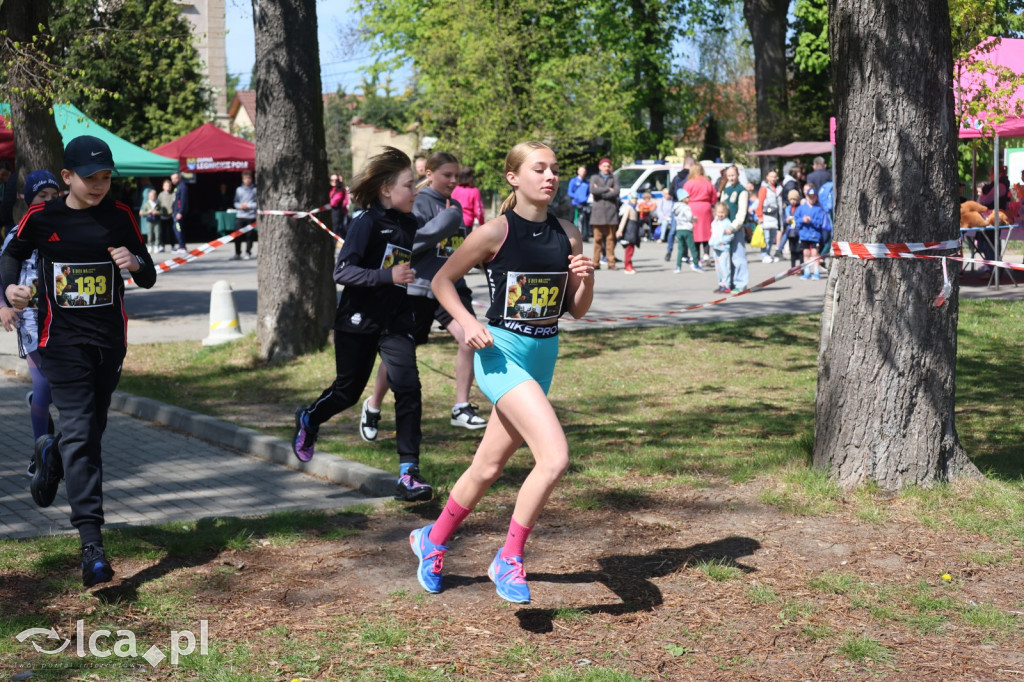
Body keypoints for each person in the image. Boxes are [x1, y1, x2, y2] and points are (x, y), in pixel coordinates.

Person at [409, 140, 595, 604]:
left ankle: (432, 539)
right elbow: (441, 280)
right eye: (539, 168)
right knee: (553, 458)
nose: (550, 176)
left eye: (555, 168)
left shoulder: (568, 232)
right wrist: (467, 322)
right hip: (501, 355)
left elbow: (576, 310)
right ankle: (509, 557)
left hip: (543, 356)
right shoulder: (495, 232)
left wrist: (587, 279)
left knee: (488, 466)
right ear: (514, 177)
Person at [1, 135, 157, 588]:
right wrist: (7, 292)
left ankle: (51, 450)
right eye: (90, 178)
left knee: (86, 433)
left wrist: (135, 263)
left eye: (106, 177)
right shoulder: (43, 216)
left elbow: (146, 274)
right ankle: (92, 545)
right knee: (84, 435)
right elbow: (11, 254)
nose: (100, 185)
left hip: (108, 343)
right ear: (67, 177)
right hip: (60, 342)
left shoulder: (121, 214)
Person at [292, 147, 433, 502]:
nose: (414, 191)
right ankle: (309, 418)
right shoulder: (365, 223)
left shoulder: (410, 223)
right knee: (347, 392)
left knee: (408, 387)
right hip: (358, 321)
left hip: (396, 321)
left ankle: (409, 472)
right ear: (386, 189)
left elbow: (418, 255)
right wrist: (387, 275)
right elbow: (343, 271)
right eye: (408, 184)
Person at [361, 151, 486, 441]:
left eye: (456, 176)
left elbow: (455, 247)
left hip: (450, 289)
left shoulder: (453, 205)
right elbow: (408, 244)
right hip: (416, 290)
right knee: (401, 355)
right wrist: (447, 221)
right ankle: (374, 405)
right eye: (446, 175)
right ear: (428, 173)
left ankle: (461, 407)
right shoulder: (414, 203)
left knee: (470, 337)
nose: (453, 181)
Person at [0, 170, 60, 476]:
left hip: (63, 321)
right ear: (28, 199)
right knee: (44, 383)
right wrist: (3, 306)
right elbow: (2, 274)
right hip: (31, 322)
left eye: (54, 195)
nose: (49, 202)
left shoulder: (66, 228)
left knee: (55, 388)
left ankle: (39, 406)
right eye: (42, 196)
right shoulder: (17, 234)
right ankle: (42, 454)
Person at [717, 165, 749, 293]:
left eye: (733, 175)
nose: (731, 178)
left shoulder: (742, 191)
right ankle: (727, 283)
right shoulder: (725, 190)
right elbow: (721, 208)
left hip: (735, 228)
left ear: (737, 175)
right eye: (728, 176)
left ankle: (741, 283)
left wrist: (733, 226)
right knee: (725, 258)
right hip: (724, 229)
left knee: (738, 257)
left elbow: (742, 212)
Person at [683, 162, 717, 267]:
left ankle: (696, 257)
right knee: (706, 232)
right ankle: (706, 254)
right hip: (706, 207)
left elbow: (683, 196)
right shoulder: (707, 182)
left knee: (695, 233)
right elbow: (714, 197)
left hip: (693, 207)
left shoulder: (689, 183)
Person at [589, 157, 619, 270]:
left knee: (610, 240)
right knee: (597, 239)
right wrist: (608, 189)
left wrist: (600, 191)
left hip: (611, 213)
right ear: (600, 167)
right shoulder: (594, 177)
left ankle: (611, 262)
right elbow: (592, 190)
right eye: (604, 166)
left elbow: (616, 192)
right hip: (598, 214)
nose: (606, 168)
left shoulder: (614, 177)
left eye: (608, 166)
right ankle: (595, 262)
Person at [795, 185, 828, 281]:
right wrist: (802, 220)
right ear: (806, 196)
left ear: (816, 197)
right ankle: (807, 272)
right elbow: (796, 220)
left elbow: (820, 222)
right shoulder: (801, 208)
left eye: (813, 196)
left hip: (815, 234)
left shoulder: (819, 209)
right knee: (805, 253)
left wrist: (811, 221)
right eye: (810, 196)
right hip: (804, 234)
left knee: (815, 253)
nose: (812, 198)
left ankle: (816, 272)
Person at [757, 170, 785, 263]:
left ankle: (768, 253)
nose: (773, 179)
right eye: (771, 176)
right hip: (766, 216)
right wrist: (760, 216)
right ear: (767, 177)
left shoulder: (779, 188)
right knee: (766, 237)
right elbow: (760, 203)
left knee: (772, 236)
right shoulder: (764, 188)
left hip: (776, 216)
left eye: (775, 176)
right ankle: (764, 254)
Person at [672, 188, 701, 273]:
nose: (689, 199)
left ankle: (678, 266)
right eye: (687, 197)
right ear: (683, 199)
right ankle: (696, 264)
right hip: (687, 229)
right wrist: (695, 219)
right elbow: (689, 217)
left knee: (680, 248)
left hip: (679, 229)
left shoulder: (675, 207)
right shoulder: (686, 207)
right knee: (692, 247)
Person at [709, 201, 735, 293]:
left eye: (722, 212)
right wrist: (711, 241)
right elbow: (713, 233)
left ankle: (726, 284)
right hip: (715, 247)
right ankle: (721, 284)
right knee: (718, 268)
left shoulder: (726, 222)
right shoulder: (715, 222)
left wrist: (724, 241)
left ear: (726, 213)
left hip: (723, 248)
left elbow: (731, 236)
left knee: (725, 267)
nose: (720, 214)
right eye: (719, 212)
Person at [231, 171, 258, 260]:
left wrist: (249, 205)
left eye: (249, 178)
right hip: (240, 216)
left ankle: (248, 252)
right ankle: (237, 253)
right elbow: (235, 202)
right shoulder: (239, 190)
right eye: (245, 178)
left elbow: (257, 203)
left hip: (251, 216)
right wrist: (240, 206)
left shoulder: (255, 190)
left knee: (250, 235)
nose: (247, 180)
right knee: (237, 235)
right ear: (242, 180)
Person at [451, 166, 486, 233]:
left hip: (454, 221)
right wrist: (482, 223)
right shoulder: (474, 191)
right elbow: (478, 210)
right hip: (467, 223)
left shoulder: (454, 189)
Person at [616, 193, 642, 274]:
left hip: (633, 232)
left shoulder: (634, 208)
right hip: (629, 232)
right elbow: (623, 220)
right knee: (629, 250)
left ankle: (630, 265)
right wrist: (620, 230)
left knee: (631, 249)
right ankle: (627, 266)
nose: (635, 200)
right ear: (630, 199)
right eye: (633, 198)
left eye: (636, 199)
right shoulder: (629, 208)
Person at [567, 165, 591, 242]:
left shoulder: (587, 182)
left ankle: (584, 236)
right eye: (581, 171)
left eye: (584, 171)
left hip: (583, 204)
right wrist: (577, 198)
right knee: (573, 219)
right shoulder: (573, 181)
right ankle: (570, 235)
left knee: (584, 220)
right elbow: (570, 192)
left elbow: (588, 193)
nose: (583, 173)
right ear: (578, 171)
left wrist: (585, 199)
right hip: (575, 204)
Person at [781, 189, 804, 268]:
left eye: (794, 199)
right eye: (791, 199)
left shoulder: (800, 208)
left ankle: (801, 268)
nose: (793, 201)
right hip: (790, 232)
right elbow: (784, 220)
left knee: (800, 251)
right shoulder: (787, 209)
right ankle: (793, 267)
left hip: (798, 232)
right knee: (792, 251)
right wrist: (786, 221)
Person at [170, 171, 188, 253]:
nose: (173, 180)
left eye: (175, 178)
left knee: (178, 228)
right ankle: (181, 245)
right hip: (176, 212)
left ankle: (182, 246)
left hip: (179, 213)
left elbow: (183, 201)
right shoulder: (177, 187)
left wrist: (180, 212)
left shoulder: (182, 187)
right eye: (172, 179)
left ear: (179, 178)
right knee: (176, 228)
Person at [139, 187, 161, 253]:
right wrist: (148, 212)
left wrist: (157, 212)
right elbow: (143, 214)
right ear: (148, 196)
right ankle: (150, 246)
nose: (152, 197)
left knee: (157, 233)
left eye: (153, 195)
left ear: (156, 196)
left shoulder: (159, 203)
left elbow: (162, 212)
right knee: (150, 234)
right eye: (150, 196)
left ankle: (157, 246)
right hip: (149, 221)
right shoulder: (146, 204)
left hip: (157, 220)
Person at [156, 178, 174, 253]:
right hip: (163, 216)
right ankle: (162, 246)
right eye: (166, 185)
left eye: (169, 185)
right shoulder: (161, 195)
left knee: (171, 232)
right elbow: (158, 205)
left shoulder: (173, 194)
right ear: (163, 186)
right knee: (162, 232)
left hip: (171, 216)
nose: (168, 187)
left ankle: (173, 246)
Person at [0, 160, 17, 239]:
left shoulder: (12, 182)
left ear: (9, 172)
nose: (2, 177)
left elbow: (8, 202)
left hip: (9, 220)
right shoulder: (5, 184)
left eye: (4, 174)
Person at [329, 173, 350, 238]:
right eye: (332, 180)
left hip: (339, 213)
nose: (334, 182)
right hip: (332, 212)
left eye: (336, 180)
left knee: (339, 229)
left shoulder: (340, 190)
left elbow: (334, 202)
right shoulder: (332, 189)